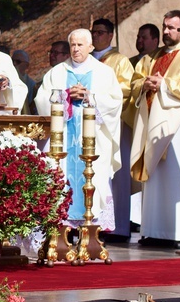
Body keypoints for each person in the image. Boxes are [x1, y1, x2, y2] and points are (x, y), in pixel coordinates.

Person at [35, 28, 123, 231]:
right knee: (60, 180)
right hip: (64, 141)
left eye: (80, 45)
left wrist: (89, 97)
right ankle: (61, 231)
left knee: (94, 178)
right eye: (72, 45)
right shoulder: (56, 72)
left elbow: (115, 103)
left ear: (91, 47)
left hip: (92, 140)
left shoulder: (104, 72)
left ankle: (91, 233)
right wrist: (66, 96)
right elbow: (41, 100)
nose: (75, 49)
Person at [130, 10, 180, 248]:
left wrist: (163, 84)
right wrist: (144, 84)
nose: (166, 31)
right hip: (152, 124)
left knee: (177, 177)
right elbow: (134, 80)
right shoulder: (152, 56)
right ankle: (154, 231)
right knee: (155, 180)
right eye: (165, 27)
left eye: (171, 28)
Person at [90, 18, 136, 242]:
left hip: (111, 125)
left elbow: (124, 91)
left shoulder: (120, 61)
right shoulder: (86, 60)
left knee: (114, 176)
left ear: (110, 36)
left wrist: (97, 99)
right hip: (88, 127)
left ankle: (116, 228)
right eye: (94, 32)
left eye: (100, 32)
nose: (96, 36)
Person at [11, 49, 37, 114]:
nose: (14, 64)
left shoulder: (31, 84)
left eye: (18, 61)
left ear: (26, 65)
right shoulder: (7, 78)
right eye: (12, 61)